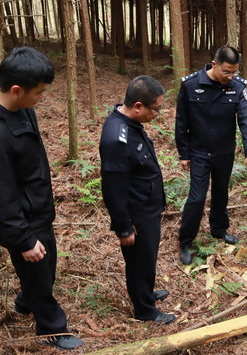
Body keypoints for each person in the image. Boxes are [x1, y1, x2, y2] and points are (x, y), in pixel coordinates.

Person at [0, 47, 84, 351]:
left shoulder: (21, 108)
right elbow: (0, 195)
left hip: (37, 211)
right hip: (23, 222)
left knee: (43, 269)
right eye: (39, 92)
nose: (42, 98)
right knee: (41, 276)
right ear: (16, 90)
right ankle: (52, 328)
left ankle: (24, 301)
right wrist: (24, 240)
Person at [99, 75, 176, 325]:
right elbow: (113, 187)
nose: (157, 114)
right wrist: (123, 226)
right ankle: (144, 309)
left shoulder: (130, 124)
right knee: (139, 262)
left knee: (147, 257)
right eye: (156, 109)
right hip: (137, 213)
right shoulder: (117, 138)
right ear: (138, 106)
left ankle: (146, 293)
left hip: (147, 206)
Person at [175, 46, 247, 265]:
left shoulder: (237, 87)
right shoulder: (191, 85)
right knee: (197, 197)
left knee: (221, 192)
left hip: (224, 151)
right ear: (214, 65)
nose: (230, 76)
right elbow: (181, 121)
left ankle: (219, 229)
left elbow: (246, 120)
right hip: (199, 152)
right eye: (226, 71)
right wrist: (183, 152)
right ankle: (186, 241)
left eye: (234, 72)